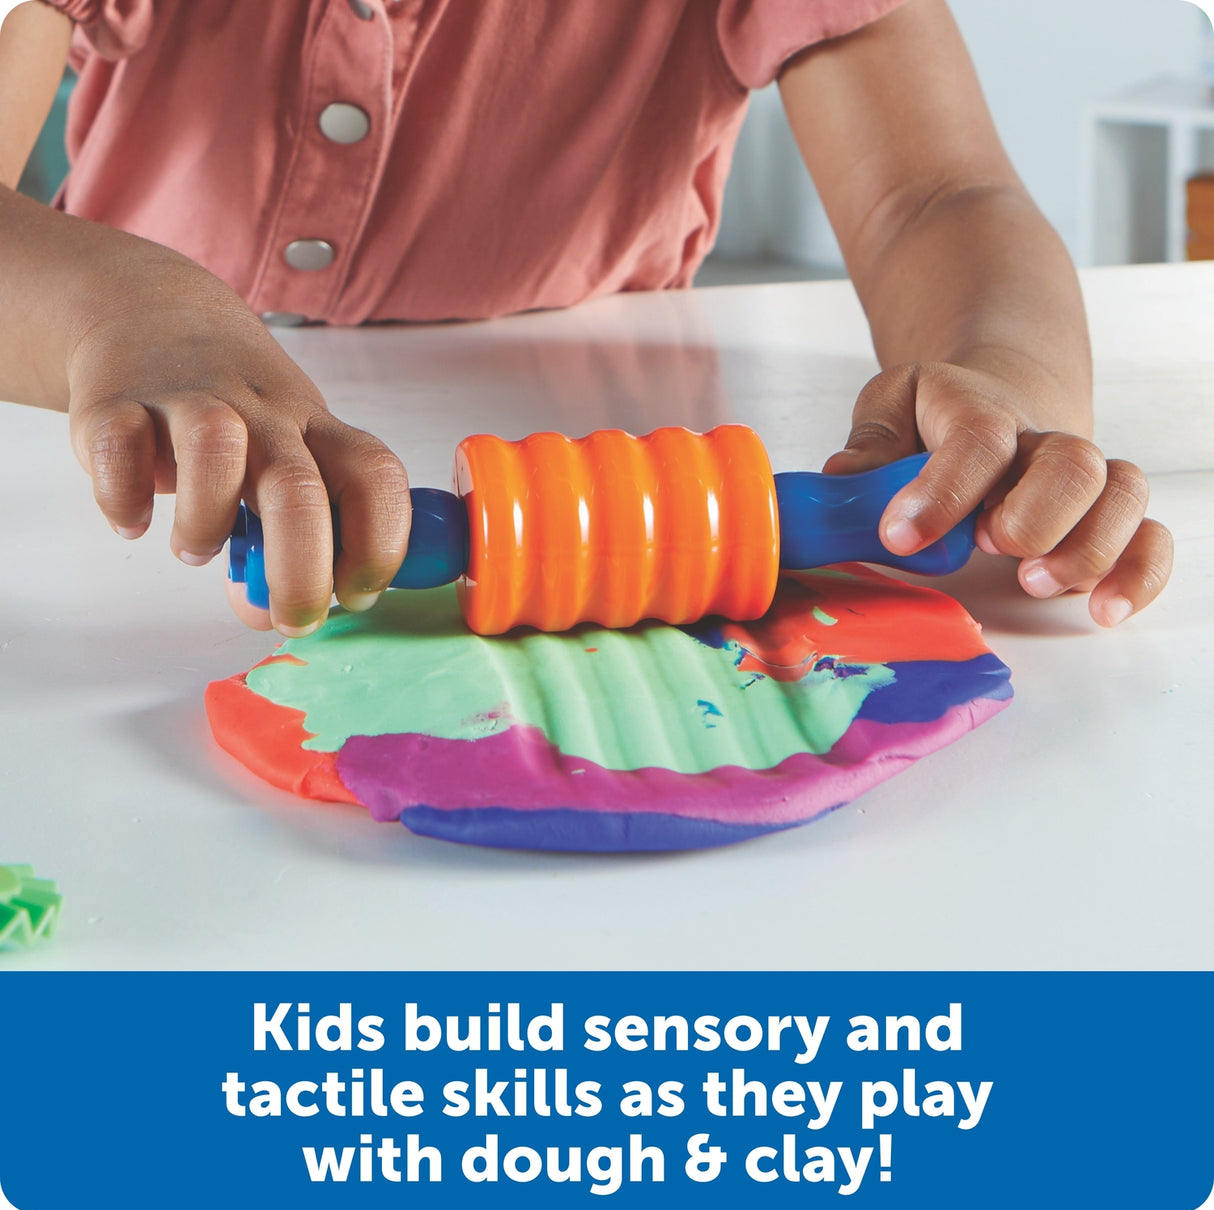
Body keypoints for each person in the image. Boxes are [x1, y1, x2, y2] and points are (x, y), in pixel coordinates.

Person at [0, 0, 1173, 637]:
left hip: (606, 419)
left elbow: (937, 196)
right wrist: (131, 314)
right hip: (112, 449)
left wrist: (1003, 388)